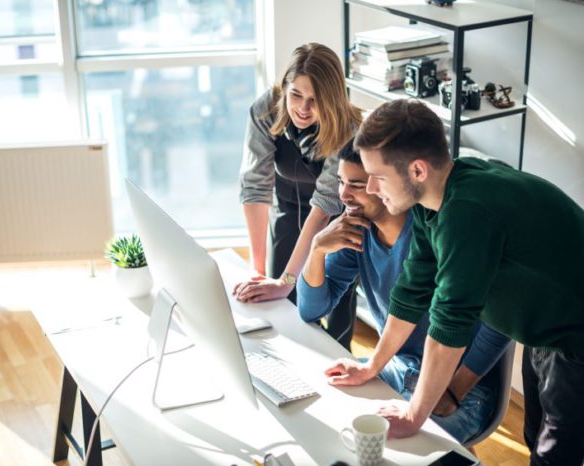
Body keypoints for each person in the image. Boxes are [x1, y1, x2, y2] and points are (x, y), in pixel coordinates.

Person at [328, 98, 583, 465]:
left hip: (575, 336)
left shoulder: (467, 212)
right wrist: (372, 366)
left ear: (417, 170)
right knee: (537, 439)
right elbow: (412, 293)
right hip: (545, 331)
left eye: (378, 177)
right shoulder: (433, 202)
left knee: (554, 456)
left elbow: (450, 324)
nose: (370, 187)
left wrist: (415, 414)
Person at [298, 142, 511, 444]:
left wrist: (453, 390)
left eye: (356, 185)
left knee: (392, 449)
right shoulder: (356, 231)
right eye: (342, 183)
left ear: (387, 183)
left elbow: (501, 320)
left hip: (457, 385)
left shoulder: (438, 233)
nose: (344, 196)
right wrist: (318, 248)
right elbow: (311, 309)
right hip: (395, 367)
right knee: (317, 406)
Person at [233, 42, 364, 322]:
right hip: (289, 206)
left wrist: (286, 280)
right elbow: (255, 188)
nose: (302, 109)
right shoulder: (265, 110)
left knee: (330, 304)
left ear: (332, 99)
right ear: (285, 88)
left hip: (337, 218)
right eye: (296, 95)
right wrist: (259, 273)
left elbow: (324, 206)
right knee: (279, 301)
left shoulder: (348, 129)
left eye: (314, 100)